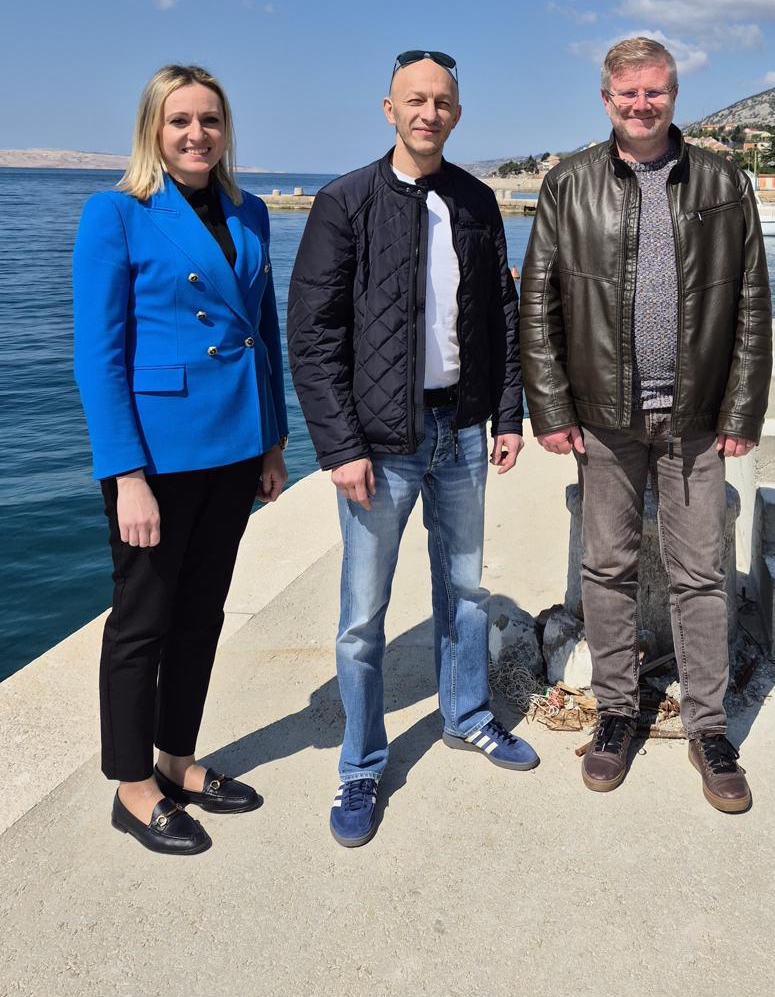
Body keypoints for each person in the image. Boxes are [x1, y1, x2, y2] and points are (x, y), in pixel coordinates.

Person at [288, 48, 536, 849]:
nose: (430, 113)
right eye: (416, 100)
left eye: (443, 103)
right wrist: (340, 447)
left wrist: (507, 416)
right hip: (378, 444)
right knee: (363, 616)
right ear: (389, 109)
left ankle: (467, 716)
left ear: (457, 114)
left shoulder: (476, 200)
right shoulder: (345, 202)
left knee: (465, 592)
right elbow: (313, 336)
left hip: (462, 432)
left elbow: (500, 318)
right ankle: (361, 764)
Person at [520, 37, 772, 813]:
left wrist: (741, 409)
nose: (641, 104)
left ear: (674, 95)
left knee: (701, 572)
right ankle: (617, 714)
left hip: (695, 417)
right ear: (606, 99)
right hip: (603, 418)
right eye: (627, 93)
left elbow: (752, 301)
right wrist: (551, 408)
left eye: (655, 91)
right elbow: (538, 304)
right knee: (606, 567)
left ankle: (708, 728)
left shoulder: (723, 183)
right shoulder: (569, 184)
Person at [73, 64, 288, 857]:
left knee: (202, 614)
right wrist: (125, 474)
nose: (197, 134)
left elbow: (263, 331)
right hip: (158, 456)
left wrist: (273, 440)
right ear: (153, 130)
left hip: (234, 445)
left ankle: (176, 759)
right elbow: (99, 355)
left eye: (211, 120)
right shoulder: (117, 213)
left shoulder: (250, 211)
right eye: (180, 121)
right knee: (143, 620)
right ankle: (133, 786)